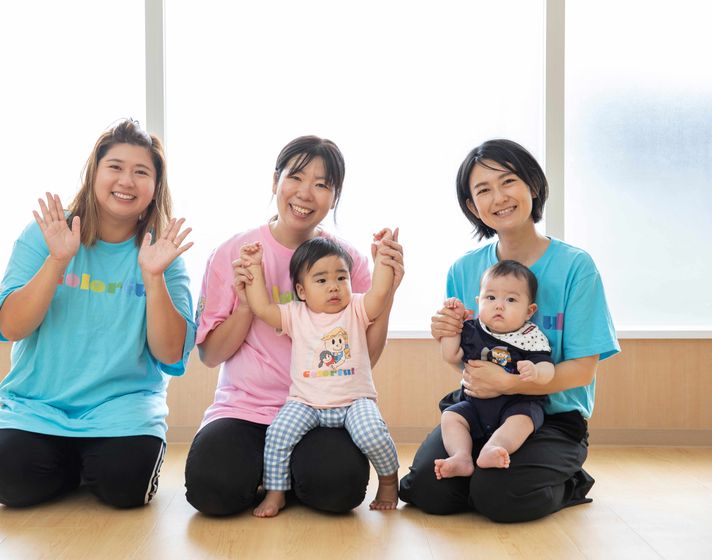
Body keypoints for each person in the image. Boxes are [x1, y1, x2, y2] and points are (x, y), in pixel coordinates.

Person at [399, 138, 620, 523]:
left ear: (532, 185)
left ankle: (570, 480)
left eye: (508, 181)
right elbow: (469, 361)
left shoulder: (576, 267)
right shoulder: (464, 270)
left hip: (550, 418)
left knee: (499, 496)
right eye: (483, 190)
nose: (499, 197)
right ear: (473, 207)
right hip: (481, 409)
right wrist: (447, 334)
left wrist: (510, 384)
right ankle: (483, 476)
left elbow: (583, 371)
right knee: (429, 491)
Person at [184, 135, 404, 516]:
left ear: (334, 197)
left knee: (339, 489)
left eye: (321, 184)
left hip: (326, 408)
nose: (305, 193)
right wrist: (246, 304)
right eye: (296, 177)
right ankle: (276, 475)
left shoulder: (347, 262)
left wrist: (388, 295)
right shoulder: (234, 253)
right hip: (246, 408)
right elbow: (210, 355)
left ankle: (280, 477)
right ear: (275, 181)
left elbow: (364, 358)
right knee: (212, 490)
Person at [0, 119, 196, 509]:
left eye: (141, 172)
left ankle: (88, 466)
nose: (126, 181)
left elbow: (169, 354)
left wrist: (153, 277)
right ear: (94, 173)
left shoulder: (163, 254)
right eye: (115, 167)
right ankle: (76, 466)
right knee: (10, 482)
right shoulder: (47, 234)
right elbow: (10, 326)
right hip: (38, 407)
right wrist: (57, 261)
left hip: (123, 410)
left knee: (125, 488)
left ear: (155, 187)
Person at [239, 235, 400, 517]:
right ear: (301, 291)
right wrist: (253, 267)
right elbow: (262, 308)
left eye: (341, 278)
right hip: (306, 403)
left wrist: (384, 260)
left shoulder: (357, 308)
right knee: (278, 433)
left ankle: (388, 482)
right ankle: (276, 492)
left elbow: (379, 294)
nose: (334, 286)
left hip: (355, 402)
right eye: (322, 280)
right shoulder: (295, 314)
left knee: (372, 433)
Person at [435, 260, 554, 480]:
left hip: (517, 403)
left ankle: (495, 447)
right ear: (478, 302)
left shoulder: (529, 337)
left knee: (523, 420)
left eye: (511, 300)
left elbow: (548, 367)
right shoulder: (472, 330)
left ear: (529, 311)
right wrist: (453, 325)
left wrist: (537, 372)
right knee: (451, 416)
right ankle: (461, 457)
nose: (499, 305)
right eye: (490, 298)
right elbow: (451, 355)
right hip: (473, 404)